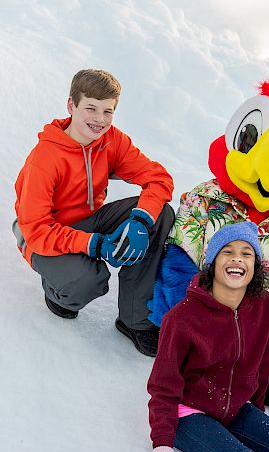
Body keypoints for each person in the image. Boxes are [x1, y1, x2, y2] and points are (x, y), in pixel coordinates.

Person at [142, 222, 269, 452]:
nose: (237, 259)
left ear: (255, 265)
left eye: (246, 253)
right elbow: (163, 386)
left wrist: (256, 411)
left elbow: (262, 364)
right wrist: (162, 448)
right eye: (227, 252)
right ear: (212, 263)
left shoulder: (263, 306)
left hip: (235, 408)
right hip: (188, 414)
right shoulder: (182, 318)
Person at [13, 68, 175, 357]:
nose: (99, 120)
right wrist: (94, 245)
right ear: (71, 105)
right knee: (89, 281)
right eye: (91, 108)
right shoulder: (45, 159)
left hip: (90, 222)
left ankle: (135, 320)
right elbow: (37, 229)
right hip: (43, 235)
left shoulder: (111, 141)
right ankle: (58, 291)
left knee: (160, 214)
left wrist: (140, 219)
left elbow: (158, 178)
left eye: (107, 111)